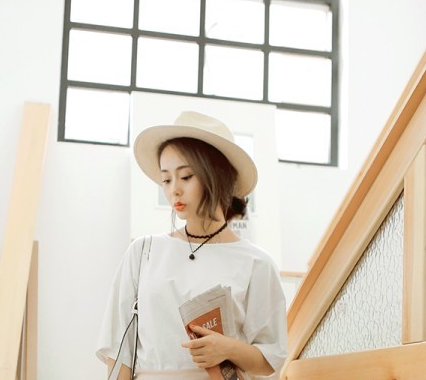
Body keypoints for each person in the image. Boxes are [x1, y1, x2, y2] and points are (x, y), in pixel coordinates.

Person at [96, 111, 287, 380]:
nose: (173, 189)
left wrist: (228, 348)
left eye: (186, 177)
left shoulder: (257, 263)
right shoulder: (143, 252)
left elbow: (270, 360)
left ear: (217, 176)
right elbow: (119, 350)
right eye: (166, 179)